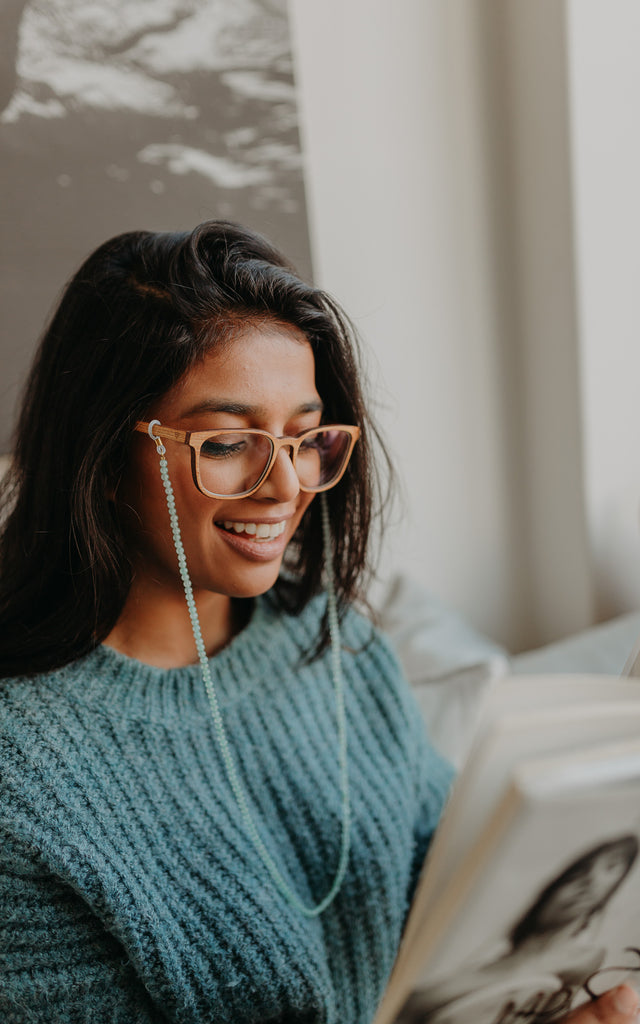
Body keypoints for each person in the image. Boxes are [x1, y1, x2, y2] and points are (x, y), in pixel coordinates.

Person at [0, 222, 636, 1024]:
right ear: (99, 452)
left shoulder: (336, 645)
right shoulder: (21, 777)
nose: (284, 486)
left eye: (306, 438)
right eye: (228, 442)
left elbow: (452, 881)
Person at [395, 836, 640, 1024]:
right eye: (575, 878)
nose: (585, 887)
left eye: (608, 873)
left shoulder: (584, 959)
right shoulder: (501, 954)